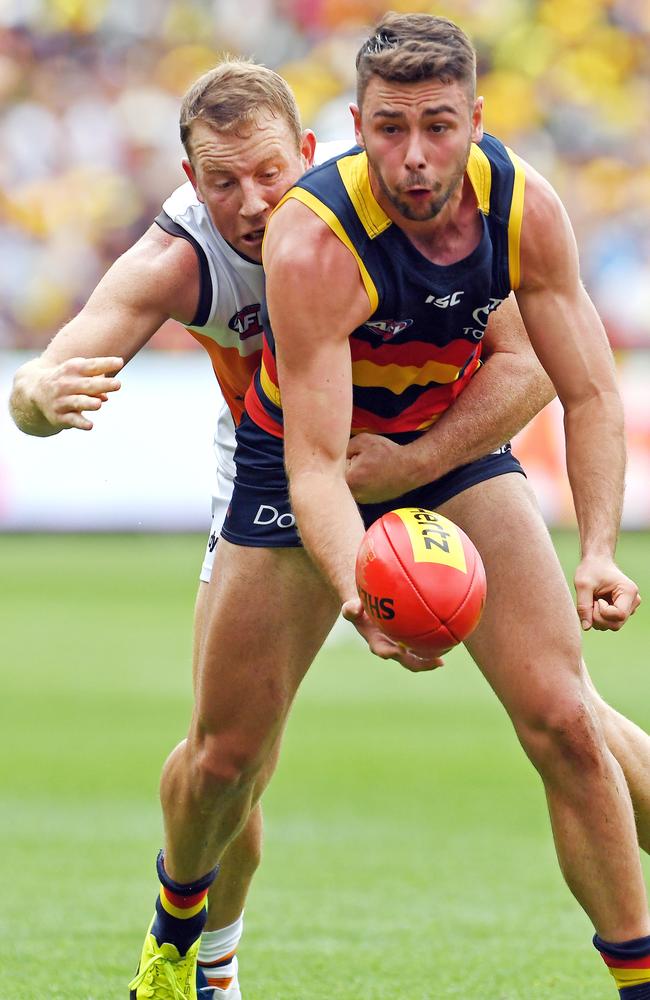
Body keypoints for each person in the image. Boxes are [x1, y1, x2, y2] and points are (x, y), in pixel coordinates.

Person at [8, 48, 648, 1000]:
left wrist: (431, 470)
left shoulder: (454, 205)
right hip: (283, 463)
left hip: (439, 440)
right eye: (224, 182)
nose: (255, 202)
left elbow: (538, 367)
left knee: (567, 714)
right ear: (191, 182)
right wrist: (32, 397)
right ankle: (185, 940)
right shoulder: (192, 257)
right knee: (230, 754)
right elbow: (55, 376)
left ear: (310, 148)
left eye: (271, 173)